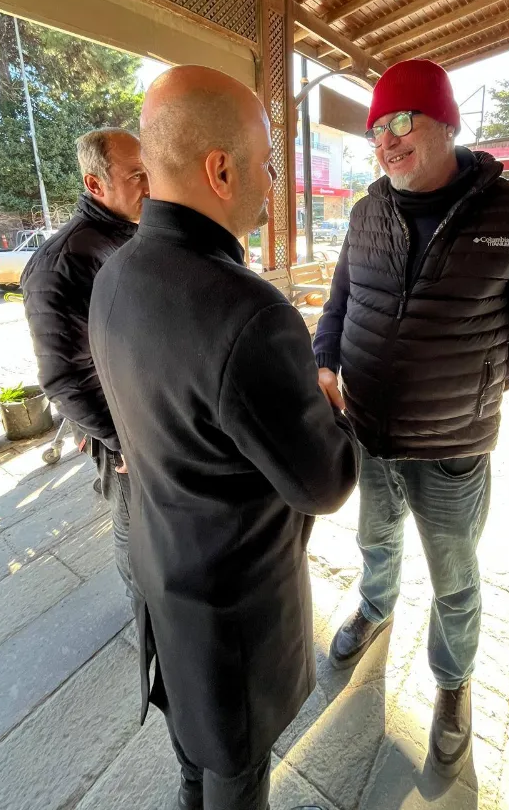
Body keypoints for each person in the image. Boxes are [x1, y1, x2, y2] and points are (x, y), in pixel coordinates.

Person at [88, 65, 358, 810]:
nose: (272, 180)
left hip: (161, 569)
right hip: (233, 610)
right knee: (235, 776)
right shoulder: (249, 313)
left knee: (192, 754)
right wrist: (331, 405)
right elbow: (325, 483)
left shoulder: (114, 274)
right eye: (267, 164)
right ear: (220, 169)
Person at [314, 58, 509, 779]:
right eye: (376, 131)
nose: (386, 141)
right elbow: (339, 302)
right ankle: (374, 608)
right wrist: (324, 360)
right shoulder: (366, 212)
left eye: (401, 121)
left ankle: (453, 685)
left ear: (446, 123)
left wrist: (476, 388)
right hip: (369, 431)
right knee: (375, 538)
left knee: (454, 577)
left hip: (453, 446)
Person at [22, 128, 149, 600]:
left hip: (151, 421)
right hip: (124, 436)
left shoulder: (133, 235)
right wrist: (119, 443)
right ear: (95, 184)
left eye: (150, 172)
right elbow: (63, 376)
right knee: (137, 533)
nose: (150, 185)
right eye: (136, 175)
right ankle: (146, 621)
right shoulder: (63, 262)